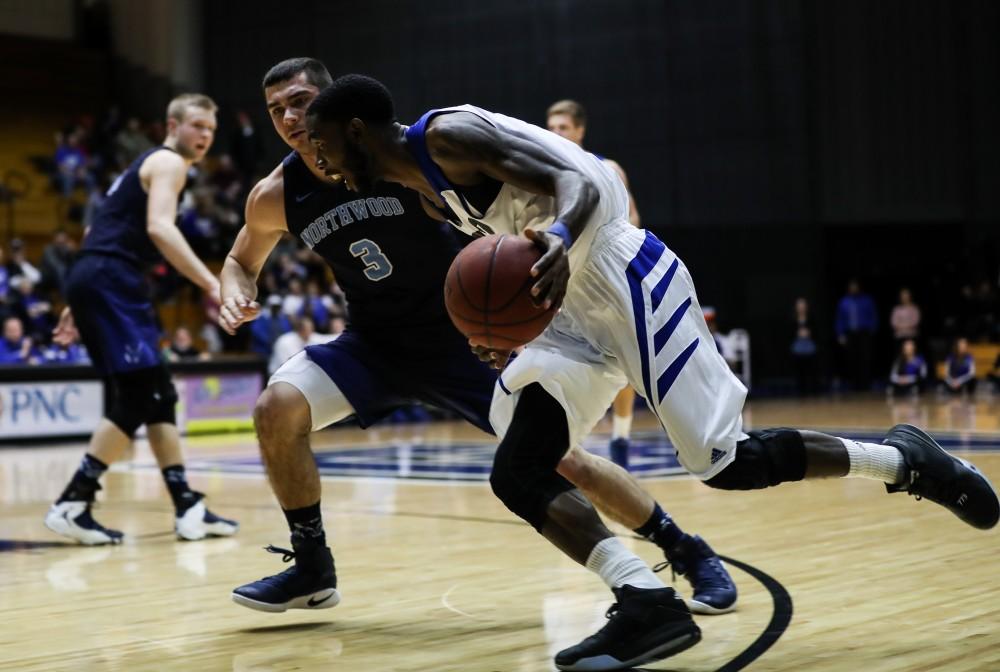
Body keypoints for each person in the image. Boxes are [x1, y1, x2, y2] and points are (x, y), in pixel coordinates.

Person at [304, 75, 1000, 672]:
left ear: (357, 129)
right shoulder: (428, 194)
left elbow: (574, 180)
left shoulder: (447, 135)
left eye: (323, 143)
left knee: (723, 463)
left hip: (620, 269)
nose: (319, 160)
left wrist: (558, 236)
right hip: (569, 310)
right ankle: (645, 602)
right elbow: (503, 274)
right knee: (518, 468)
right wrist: (499, 335)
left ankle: (902, 459)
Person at [219, 59, 736, 626]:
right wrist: (234, 289)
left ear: (336, 105)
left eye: (301, 102)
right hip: (373, 343)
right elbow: (241, 259)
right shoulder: (275, 194)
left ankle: (684, 547)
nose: (291, 118)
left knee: (560, 460)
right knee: (276, 409)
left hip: (464, 336)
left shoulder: (403, 154)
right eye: (276, 110)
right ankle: (313, 569)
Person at [45, 94, 238, 546]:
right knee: (140, 393)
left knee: (160, 394)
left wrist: (78, 299)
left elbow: (96, 231)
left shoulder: (141, 168)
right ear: (173, 125)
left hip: (99, 276)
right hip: (111, 278)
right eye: (197, 126)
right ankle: (73, 502)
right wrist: (211, 284)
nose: (205, 137)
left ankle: (187, 505)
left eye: (211, 130)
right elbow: (160, 229)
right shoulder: (170, 162)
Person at [546, 99, 638, 470]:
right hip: (564, 281)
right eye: (551, 128)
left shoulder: (607, 167)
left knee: (624, 359)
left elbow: (631, 216)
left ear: (580, 131)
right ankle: (568, 442)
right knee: (559, 358)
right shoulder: (539, 171)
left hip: (604, 275)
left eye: (563, 128)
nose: (556, 134)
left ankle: (620, 436)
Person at [835, 279, 878, 391]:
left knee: (865, 359)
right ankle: (853, 385)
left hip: (864, 333)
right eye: (851, 287)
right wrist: (840, 334)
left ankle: (866, 384)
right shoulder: (843, 302)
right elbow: (839, 319)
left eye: (855, 287)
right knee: (851, 359)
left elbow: (873, 315)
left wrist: (872, 330)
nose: (853, 289)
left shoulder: (867, 300)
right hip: (850, 333)